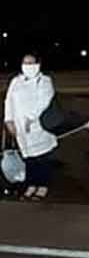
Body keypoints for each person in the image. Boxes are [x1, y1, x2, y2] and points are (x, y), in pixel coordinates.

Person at [3, 54, 56, 201]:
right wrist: (9, 120)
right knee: (29, 157)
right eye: (25, 62)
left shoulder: (44, 81)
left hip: (38, 125)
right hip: (20, 125)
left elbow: (44, 100)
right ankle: (31, 184)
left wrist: (31, 117)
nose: (28, 65)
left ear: (38, 64)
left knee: (42, 156)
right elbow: (9, 101)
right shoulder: (16, 81)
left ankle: (43, 186)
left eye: (31, 62)